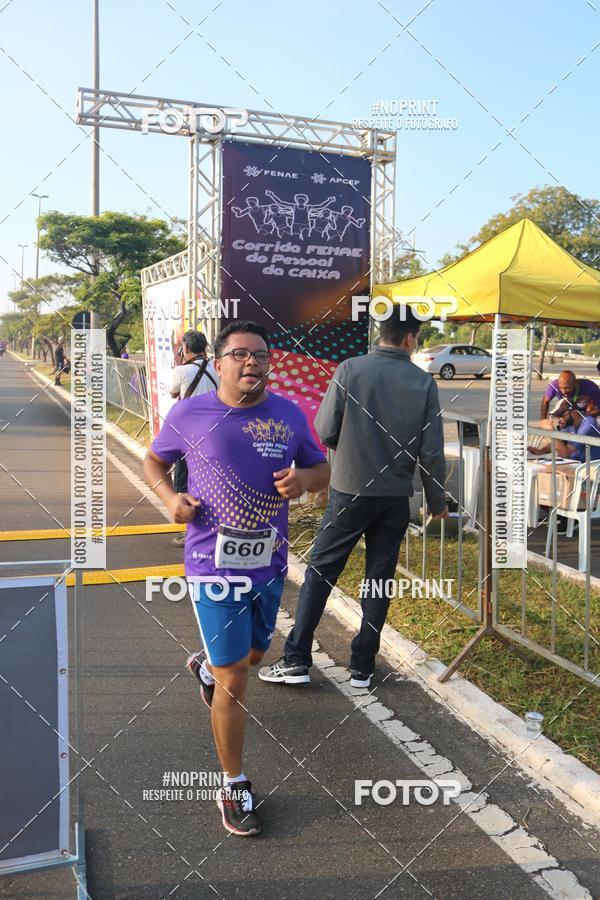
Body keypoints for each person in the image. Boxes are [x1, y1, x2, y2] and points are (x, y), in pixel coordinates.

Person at [143, 321, 329, 836]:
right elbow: (155, 460)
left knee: (252, 657)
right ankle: (233, 784)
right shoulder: (190, 413)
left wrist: (304, 479)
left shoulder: (288, 414)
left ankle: (206, 667)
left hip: (268, 562)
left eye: (261, 355)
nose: (252, 363)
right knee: (236, 679)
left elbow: (321, 470)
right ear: (219, 363)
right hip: (211, 565)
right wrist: (170, 498)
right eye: (241, 354)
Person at [259, 305, 448, 691]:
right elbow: (431, 451)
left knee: (320, 574)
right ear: (410, 338)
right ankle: (363, 667)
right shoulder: (424, 383)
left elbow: (326, 429)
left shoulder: (350, 369)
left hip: (349, 491)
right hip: (394, 498)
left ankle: (296, 659)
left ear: (382, 332)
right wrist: (438, 501)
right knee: (378, 581)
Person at [168, 330, 219, 545]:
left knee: (184, 482)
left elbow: (173, 393)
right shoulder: (217, 367)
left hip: (188, 433)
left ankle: (191, 532)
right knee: (211, 481)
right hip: (216, 431)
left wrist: (176, 360)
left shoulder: (180, 371)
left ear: (185, 348)